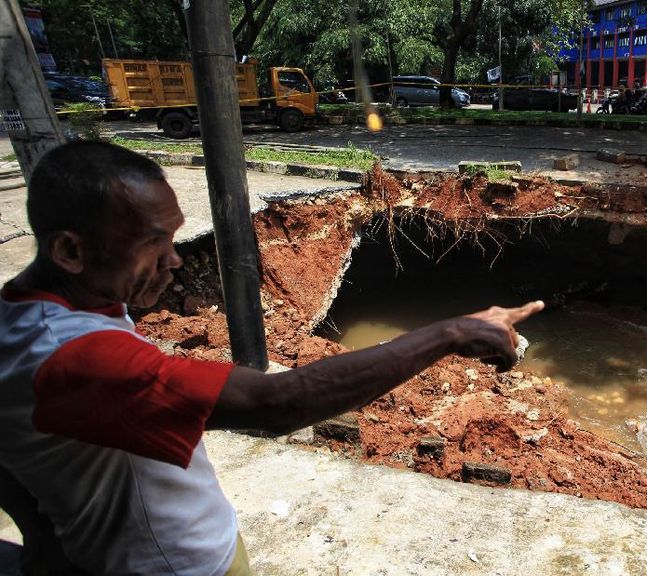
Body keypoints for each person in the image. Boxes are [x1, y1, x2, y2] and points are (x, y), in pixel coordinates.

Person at [0, 141, 544, 575]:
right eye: (153, 242)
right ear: (70, 251)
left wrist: (43, 535)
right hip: (173, 563)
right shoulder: (78, 358)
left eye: (174, 237)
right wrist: (448, 334)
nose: (172, 261)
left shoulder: (31, 314)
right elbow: (279, 401)